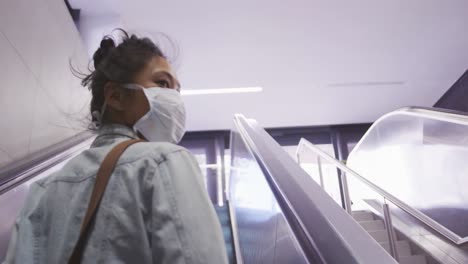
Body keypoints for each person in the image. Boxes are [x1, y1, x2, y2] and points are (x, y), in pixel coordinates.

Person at [3, 30, 228, 264]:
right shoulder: (163, 161)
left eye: (176, 90)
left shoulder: (43, 189)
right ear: (116, 96)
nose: (174, 98)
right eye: (162, 83)